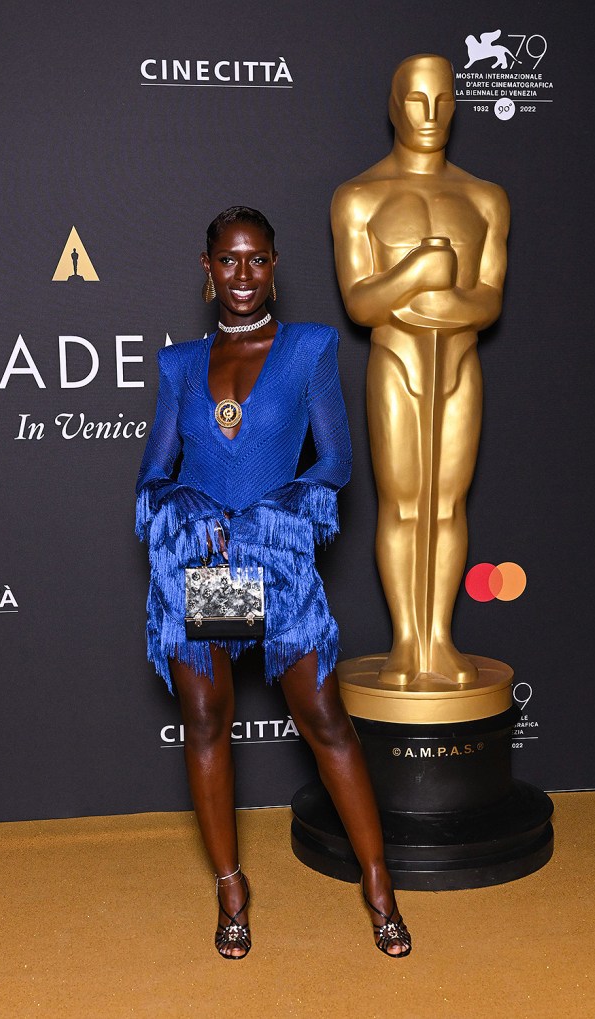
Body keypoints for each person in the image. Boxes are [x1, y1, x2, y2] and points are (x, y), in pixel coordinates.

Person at [135, 206, 411, 960]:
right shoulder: (180, 365)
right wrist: (191, 510)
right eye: (229, 260)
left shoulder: (311, 349)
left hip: (278, 562)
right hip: (207, 568)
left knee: (324, 719)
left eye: (257, 260)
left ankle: (379, 883)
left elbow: (336, 463)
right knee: (208, 720)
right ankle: (231, 887)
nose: (244, 275)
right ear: (208, 268)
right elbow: (154, 473)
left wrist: (269, 513)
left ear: (275, 265)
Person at [331, 54, 510, 688]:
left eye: (442, 100)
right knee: (404, 503)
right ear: (393, 104)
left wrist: (450, 303)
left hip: (459, 360)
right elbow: (360, 301)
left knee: (448, 504)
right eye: (415, 100)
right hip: (397, 360)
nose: (429, 114)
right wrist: (419, 271)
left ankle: (441, 639)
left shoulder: (485, 198)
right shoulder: (358, 198)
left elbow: (489, 298)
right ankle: (407, 642)